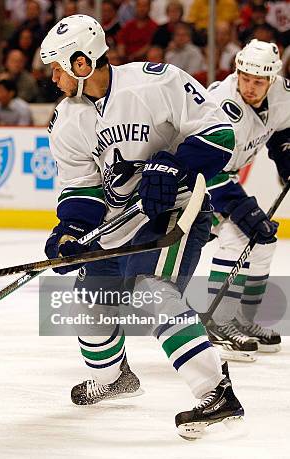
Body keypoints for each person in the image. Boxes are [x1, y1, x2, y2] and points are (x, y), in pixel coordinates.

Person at [40, 15, 242, 438]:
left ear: (81, 64)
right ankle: (116, 379)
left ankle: (216, 391)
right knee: (89, 303)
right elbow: (82, 187)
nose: (52, 77)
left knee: (152, 289)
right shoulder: (66, 120)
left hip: (174, 213)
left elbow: (221, 133)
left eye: (57, 67)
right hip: (116, 225)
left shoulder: (157, 82)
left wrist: (175, 164)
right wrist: (70, 233)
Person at [204, 40, 290, 361]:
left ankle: (242, 319)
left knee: (264, 239)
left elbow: (283, 127)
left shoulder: (282, 94)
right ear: (236, 71)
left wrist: (286, 153)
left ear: (272, 80)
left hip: (226, 177)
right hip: (193, 182)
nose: (250, 87)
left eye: (259, 81)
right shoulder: (220, 105)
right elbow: (207, 166)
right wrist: (242, 209)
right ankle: (218, 321)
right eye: (245, 79)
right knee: (240, 234)